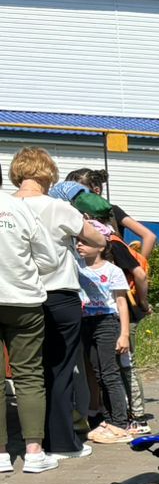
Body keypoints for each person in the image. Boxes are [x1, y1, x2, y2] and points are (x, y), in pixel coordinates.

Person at [11, 149, 104, 461]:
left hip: (19, 293)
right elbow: (98, 240)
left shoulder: (8, 206)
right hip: (59, 293)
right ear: (47, 174)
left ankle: (23, 441)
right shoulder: (58, 207)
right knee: (60, 369)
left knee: (28, 372)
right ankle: (62, 442)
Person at [0, 186, 59, 473]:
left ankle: (0, 455)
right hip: (23, 300)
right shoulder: (20, 208)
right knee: (29, 375)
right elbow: (49, 259)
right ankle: (34, 453)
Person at [75, 229, 134, 442]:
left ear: (100, 246)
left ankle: (120, 423)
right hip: (85, 323)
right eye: (78, 241)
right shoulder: (76, 266)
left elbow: (121, 302)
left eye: (85, 242)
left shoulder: (112, 271)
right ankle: (107, 420)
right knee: (97, 373)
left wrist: (124, 333)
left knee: (110, 373)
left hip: (107, 323)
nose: (79, 245)